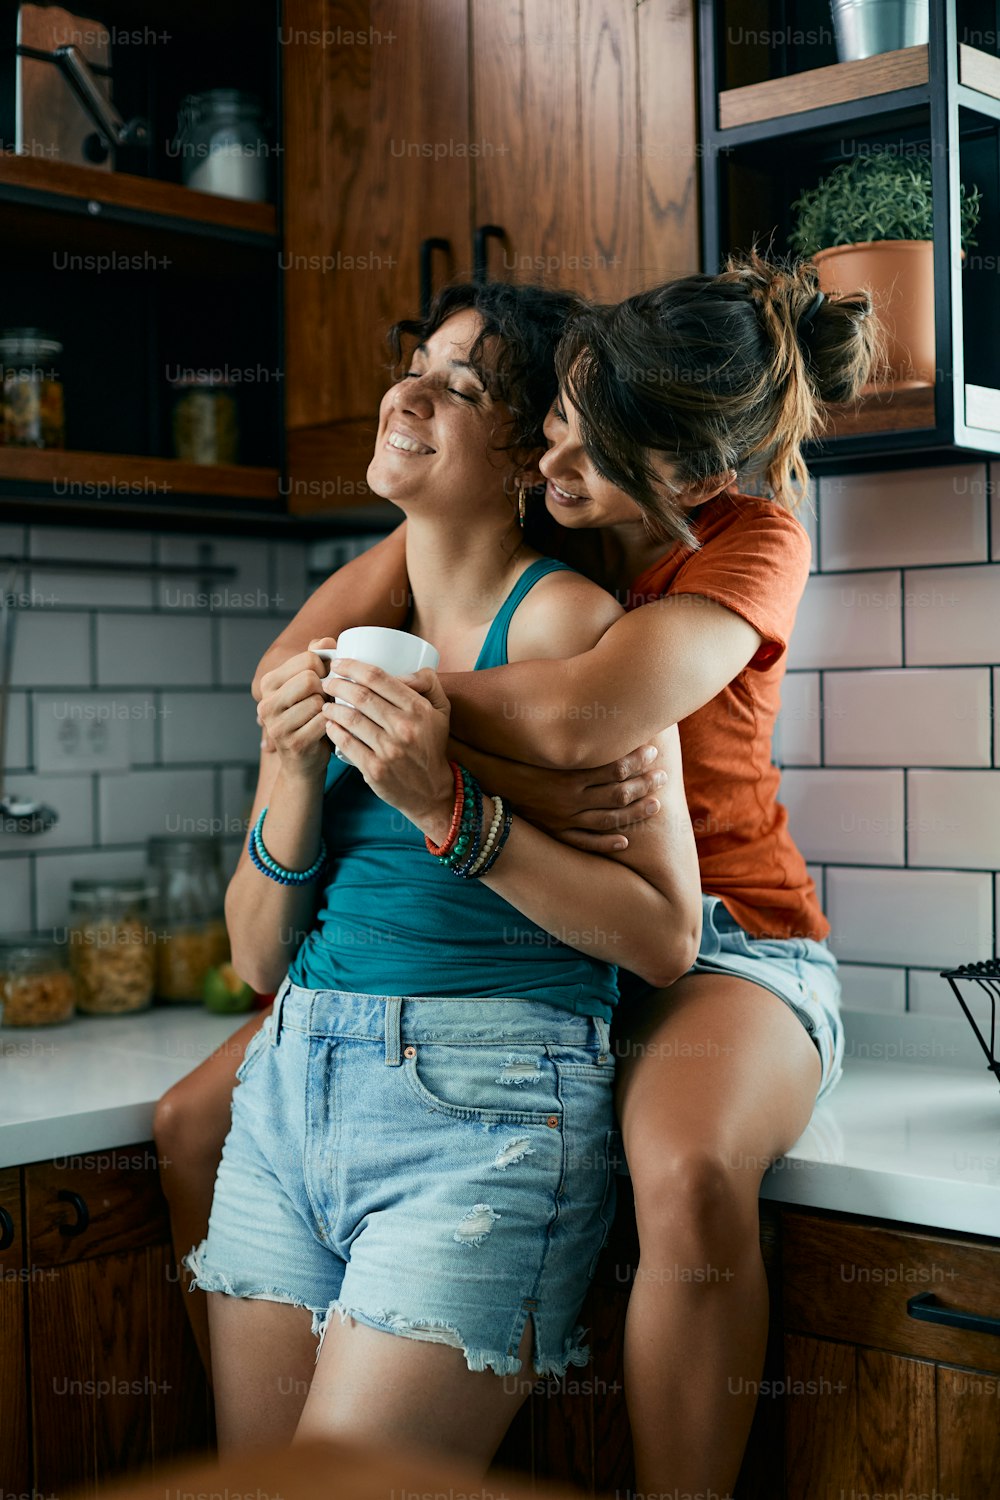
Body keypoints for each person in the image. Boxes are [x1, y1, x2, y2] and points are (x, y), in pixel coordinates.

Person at [242, 249, 881, 1496]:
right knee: (203, 1111)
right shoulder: (544, 513)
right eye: (548, 431)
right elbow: (293, 661)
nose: (549, 465)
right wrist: (334, 694)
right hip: (545, 940)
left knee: (685, 1169)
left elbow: (585, 718)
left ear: (691, 472)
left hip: (727, 940)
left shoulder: (751, 542)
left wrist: (393, 705)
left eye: (585, 453)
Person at [163, 281, 702, 1467]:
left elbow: (666, 937)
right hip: (292, 1090)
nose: (407, 391)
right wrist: (296, 771)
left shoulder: (570, 628)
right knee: (261, 1494)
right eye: (415, 365)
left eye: (462, 388)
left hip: (486, 1111)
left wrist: (441, 805)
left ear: (528, 458)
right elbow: (254, 953)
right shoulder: (344, 634)